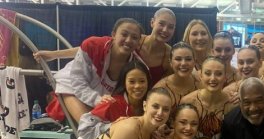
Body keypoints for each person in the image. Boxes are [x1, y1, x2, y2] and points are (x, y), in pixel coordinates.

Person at [34, 9, 176, 88]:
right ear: (152, 22)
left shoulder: (169, 55)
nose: (165, 30)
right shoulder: (133, 39)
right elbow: (91, 49)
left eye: (171, 27)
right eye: (161, 24)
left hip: (138, 98)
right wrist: (53, 55)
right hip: (110, 89)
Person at [47, 18, 145, 122]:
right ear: (113, 35)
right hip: (72, 86)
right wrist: (53, 54)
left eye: (134, 37)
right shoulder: (92, 45)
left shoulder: (137, 65)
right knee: (88, 127)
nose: (129, 40)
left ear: (139, 42)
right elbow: (77, 81)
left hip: (104, 98)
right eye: (124, 34)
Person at [180, 57, 236, 139]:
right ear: (201, 76)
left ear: (225, 77)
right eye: (208, 73)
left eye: (219, 74)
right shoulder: (188, 101)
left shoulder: (233, 104)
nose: (213, 78)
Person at [153, 42, 200, 110]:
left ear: (194, 62)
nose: (183, 63)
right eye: (178, 59)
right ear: (171, 62)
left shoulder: (201, 84)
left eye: (188, 59)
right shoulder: (160, 88)